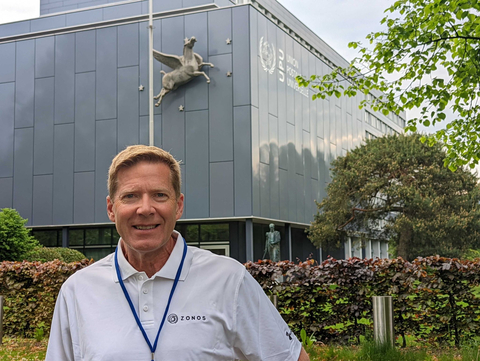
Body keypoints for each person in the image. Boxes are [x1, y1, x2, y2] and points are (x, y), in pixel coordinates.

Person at [46, 145, 310, 361]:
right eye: (130, 196)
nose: (145, 208)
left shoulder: (230, 279)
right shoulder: (77, 291)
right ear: (111, 209)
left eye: (160, 195)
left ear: (179, 206)